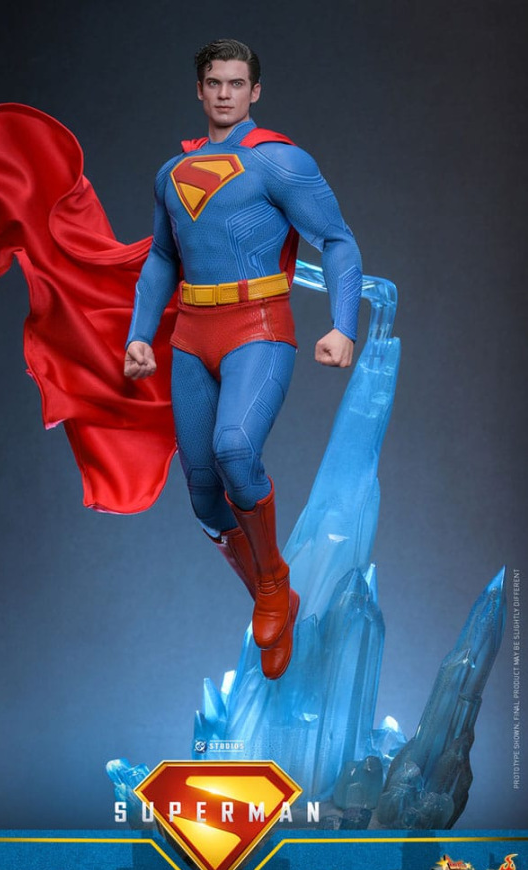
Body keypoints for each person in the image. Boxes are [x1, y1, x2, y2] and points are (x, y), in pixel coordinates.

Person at [124, 39, 362, 679]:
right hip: (191, 335)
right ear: (199, 90)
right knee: (204, 497)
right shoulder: (171, 173)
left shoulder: (279, 161)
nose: (224, 93)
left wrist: (343, 325)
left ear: (254, 91)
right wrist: (139, 334)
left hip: (257, 325)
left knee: (235, 449)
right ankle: (274, 594)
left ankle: (272, 582)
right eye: (214, 82)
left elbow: (336, 240)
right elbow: (162, 258)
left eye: (236, 83)